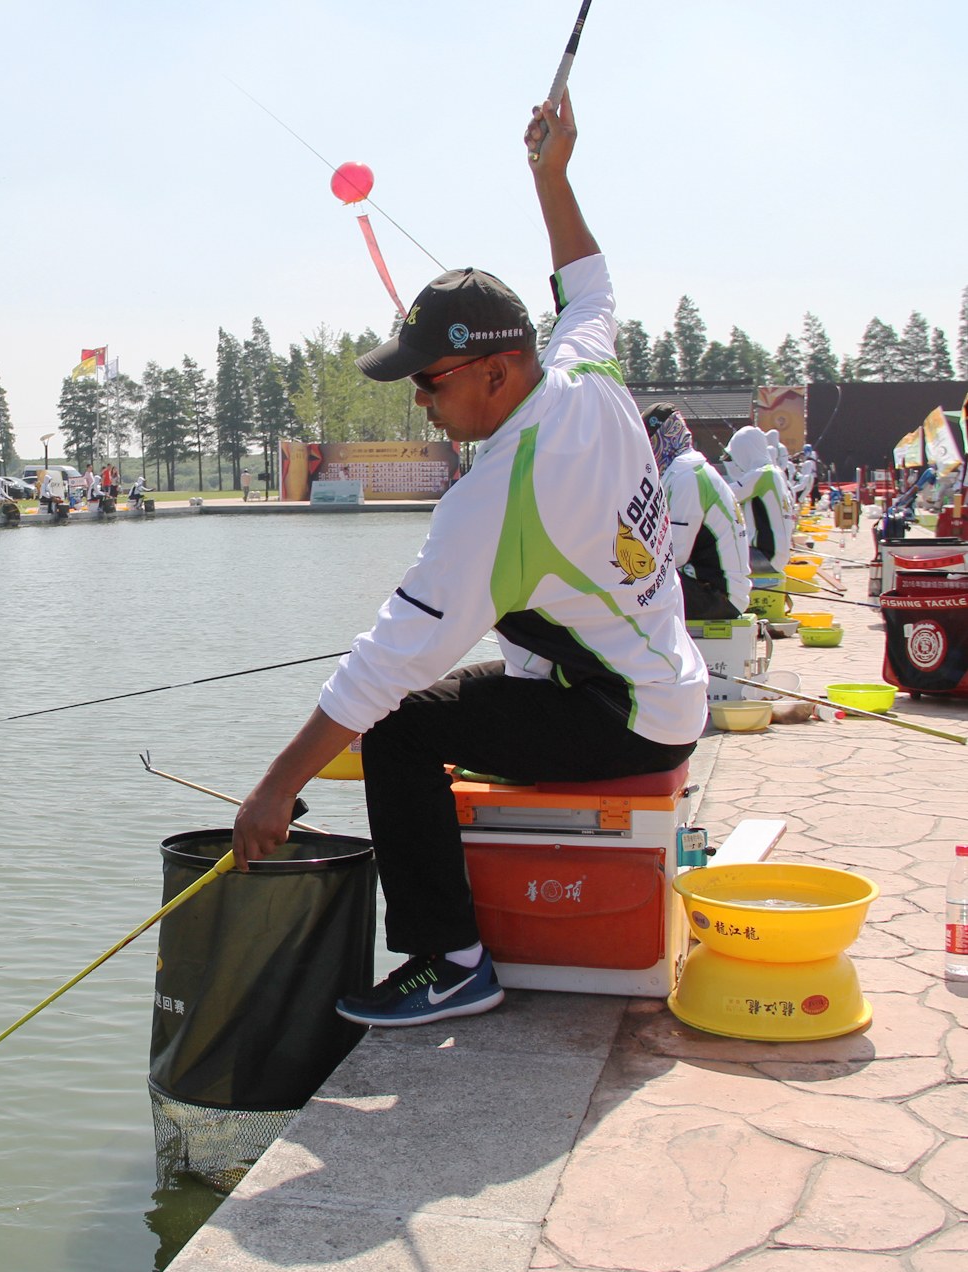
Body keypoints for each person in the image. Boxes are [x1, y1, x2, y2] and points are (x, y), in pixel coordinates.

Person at [231, 89, 707, 1028]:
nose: (421, 402)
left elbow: (380, 665)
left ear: (497, 369)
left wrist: (274, 788)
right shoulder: (586, 369)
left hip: (626, 716)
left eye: (429, 381)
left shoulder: (496, 499)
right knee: (440, 682)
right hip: (659, 678)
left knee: (401, 724)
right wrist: (553, 175)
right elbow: (590, 282)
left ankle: (451, 960)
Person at [642, 403, 752, 620]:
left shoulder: (687, 476)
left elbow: (676, 555)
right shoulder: (686, 469)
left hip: (718, 595)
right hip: (714, 588)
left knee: (624, 591)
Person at [722, 426, 793, 576]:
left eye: (735, 455)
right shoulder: (774, 473)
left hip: (765, 555)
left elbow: (724, 495)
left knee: (709, 558)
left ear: (745, 451)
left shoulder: (763, 475)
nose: (734, 461)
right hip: (776, 555)